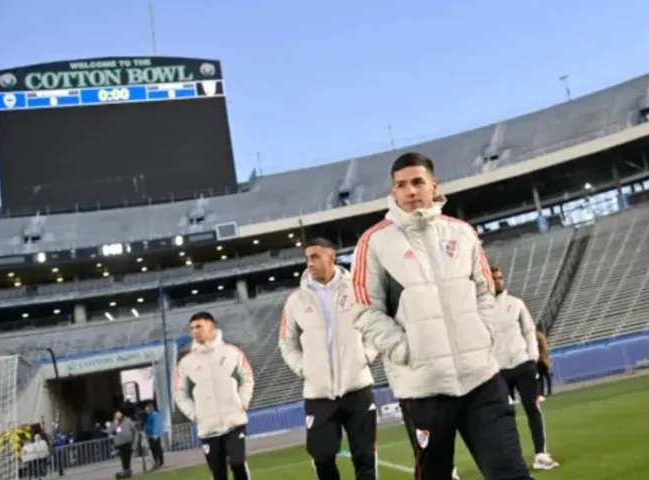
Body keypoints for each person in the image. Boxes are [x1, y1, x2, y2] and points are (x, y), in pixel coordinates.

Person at [352, 152, 532, 480]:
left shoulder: (462, 233)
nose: (410, 191)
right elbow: (364, 309)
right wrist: (405, 350)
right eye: (401, 185)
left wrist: (484, 332)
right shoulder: (374, 242)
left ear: (434, 185)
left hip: (482, 380)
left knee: (511, 473)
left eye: (418, 182)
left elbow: (484, 290)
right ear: (393, 192)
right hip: (424, 390)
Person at [279, 238, 379, 480]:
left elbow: (376, 325)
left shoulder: (357, 288)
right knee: (322, 456)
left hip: (357, 388)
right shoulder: (295, 301)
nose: (309, 263)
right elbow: (286, 342)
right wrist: (305, 368)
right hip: (318, 394)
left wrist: (366, 355)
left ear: (331, 257)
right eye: (307, 258)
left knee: (364, 456)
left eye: (315, 257)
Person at [490, 265, 559, 470]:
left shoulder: (516, 303)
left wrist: (532, 358)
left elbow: (530, 330)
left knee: (533, 409)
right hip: (499, 371)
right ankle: (512, 460)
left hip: (523, 365)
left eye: (500, 277)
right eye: (494, 278)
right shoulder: (480, 309)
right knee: (503, 417)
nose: (498, 281)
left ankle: (541, 454)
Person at [175, 312, 255, 480]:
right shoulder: (186, 362)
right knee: (218, 475)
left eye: (199, 326)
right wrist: (195, 414)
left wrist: (242, 402)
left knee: (237, 464)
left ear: (211, 326)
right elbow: (179, 392)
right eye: (192, 328)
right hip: (208, 428)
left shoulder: (232, 351)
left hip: (234, 422)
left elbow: (247, 378)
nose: (195, 331)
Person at [112, 410, 135, 478]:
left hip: (128, 441)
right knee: (123, 457)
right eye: (116, 416)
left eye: (119, 415)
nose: (118, 417)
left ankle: (127, 470)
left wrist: (132, 437)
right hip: (120, 443)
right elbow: (115, 432)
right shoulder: (115, 422)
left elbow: (133, 429)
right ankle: (126, 470)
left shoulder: (127, 420)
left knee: (128, 456)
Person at [144, 403, 165, 469]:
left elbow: (157, 424)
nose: (146, 411)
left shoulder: (155, 415)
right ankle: (156, 462)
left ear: (150, 409)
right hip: (150, 435)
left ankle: (160, 462)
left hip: (154, 434)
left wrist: (155, 433)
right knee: (153, 449)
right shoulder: (149, 415)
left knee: (157, 448)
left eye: (147, 409)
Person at [535, 330, 553, 400]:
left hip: (541, 359)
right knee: (544, 376)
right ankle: (546, 392)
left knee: (542, 377)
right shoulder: (541, 335)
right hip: (542, 359)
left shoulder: (537, 336)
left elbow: (543, 348)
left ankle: (543, 392)